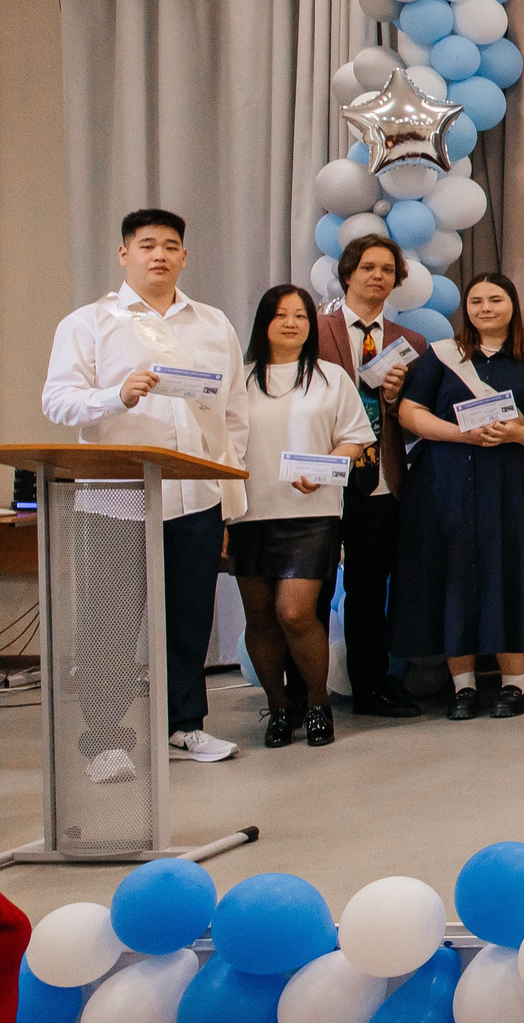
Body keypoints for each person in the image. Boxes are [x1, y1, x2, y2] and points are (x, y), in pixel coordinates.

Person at [43, 208, 249, 768]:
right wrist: (117, 396)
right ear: (123, 254)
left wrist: (227, 483)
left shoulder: (212, 323)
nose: (160, 254)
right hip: (115, 498)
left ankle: (184, 726)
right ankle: (104, 741)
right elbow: (57, 401)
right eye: (147, 244)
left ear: (185, 256)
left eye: (171, 245)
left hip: (195, 495)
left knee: (188, 617)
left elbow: (233, 411)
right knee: (109, 625)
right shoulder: (87, 323)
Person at [396, 271, 524, 719]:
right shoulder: (441, 357)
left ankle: (514, 685)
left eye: (495, 299)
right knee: (454, 574)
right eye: (476, 301)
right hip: (446, 482)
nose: (486, 308)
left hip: (509, 480)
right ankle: (464, 687)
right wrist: (460, 435)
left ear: (513, 304)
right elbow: (410, 412)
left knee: (509, 572)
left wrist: (520, 432)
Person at [234, 283, 374, 749]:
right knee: (260, 618)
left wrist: (325, 468)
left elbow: (355, 438)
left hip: (312, 512)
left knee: (294, 612)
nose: (292, 323)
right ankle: (278, 709)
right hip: (249, 512)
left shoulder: (331, 377)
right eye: (281, 314)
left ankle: (317, 702)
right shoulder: (239, 377)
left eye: (301, 315)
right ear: (264, 322)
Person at [310, 233, 432, 718]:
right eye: (368, 267)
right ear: (348, 273)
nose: (378, 276)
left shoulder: (412, 342)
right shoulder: (314, 329)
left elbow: (411, 419)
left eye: (387, 269)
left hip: (380, 480)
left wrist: (394, 398)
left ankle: (370, 687)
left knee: (367, 590)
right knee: (313, 588)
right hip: (320, 477)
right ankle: (305, 693)